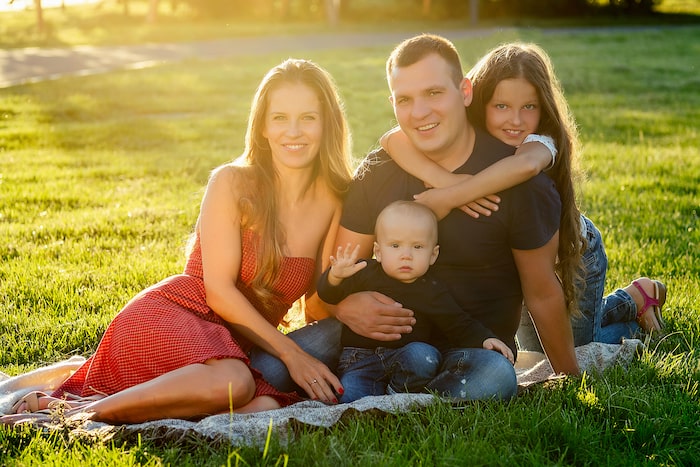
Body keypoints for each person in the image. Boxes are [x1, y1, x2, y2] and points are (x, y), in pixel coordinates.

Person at [3, 58, 352, 425]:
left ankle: (119, 405)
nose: (293, 132)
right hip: (179, 316)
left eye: (308, 117)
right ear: (262, 126)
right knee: (236, 384)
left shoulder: (333, 201)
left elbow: (317, 306)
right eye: (280, 117)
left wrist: (355, 292)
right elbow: (218, 291)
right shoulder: (232, 183)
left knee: (263, 406)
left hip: (235, 351)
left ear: (327, 123)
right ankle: (75, 412)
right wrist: (291, 355)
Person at [324, 32, 579, 404]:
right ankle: (400, 399)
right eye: (405, 99)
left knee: (494, 376)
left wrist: (571, 380)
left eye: (433, 93)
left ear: (465, 91)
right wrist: (343, 307)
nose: (419, 112)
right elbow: (336, 270)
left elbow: (541, 293)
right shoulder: (379, 170)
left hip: (472, 347)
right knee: (278, 364)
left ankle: (393, 404)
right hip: (382, 345)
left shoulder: (519, 181)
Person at [379, 42, 667, 350]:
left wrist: (450, 196)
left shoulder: (539, 142)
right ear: (478, 100)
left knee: (576, 347)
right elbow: (391, 139)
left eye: (528, 107)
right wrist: (445, 180)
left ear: (542, 109)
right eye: (501, 106)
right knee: (536, 349)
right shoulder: (468, 127)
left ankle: (633, 303)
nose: (514, 121)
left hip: (571, 251)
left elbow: (524, 165)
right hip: (519, 258)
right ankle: (629, 300)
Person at [317, 201, 513, 402]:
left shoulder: (432, 289)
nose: (406, 255)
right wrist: (335, 277)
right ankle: (375, 403)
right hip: (359, 361)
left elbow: (458, 324)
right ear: (378, 251)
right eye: (395, 245)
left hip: (408, 361)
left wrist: (485, 339)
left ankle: (397, 398)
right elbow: (328, 295)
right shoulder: (363, 272)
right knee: (351, 398)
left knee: (423, 354)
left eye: (417, 247)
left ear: (433, 255)